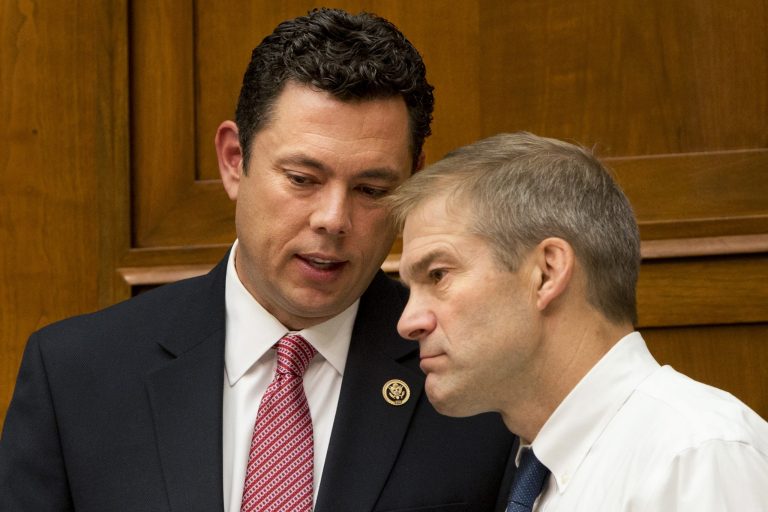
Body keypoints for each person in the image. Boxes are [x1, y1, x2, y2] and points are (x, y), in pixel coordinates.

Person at [0, 9, 515, 512]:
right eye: (301, 179)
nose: (333, 219)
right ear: (233, 161)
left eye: (371, 188)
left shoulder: (483, 382)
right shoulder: (75, 375)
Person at [388, 132, 768, 511]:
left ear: (547, 273)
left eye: (438, 275)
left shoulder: (693, 457)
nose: (408, 322)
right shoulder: (539, 476)